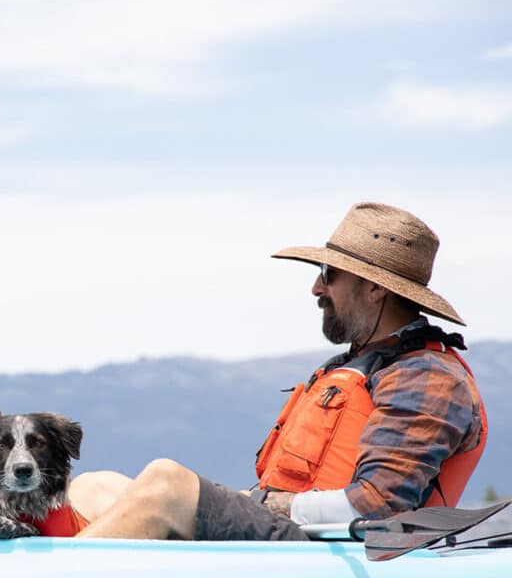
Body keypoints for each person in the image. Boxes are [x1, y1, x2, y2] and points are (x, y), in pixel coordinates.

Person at [68, 202, 487, 541]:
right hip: (296, 538)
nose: (317, 288)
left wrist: (261, 504)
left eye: (329, 274)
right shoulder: (361, 363)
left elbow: (375, 506)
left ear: (375, 288)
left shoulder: (426, 376)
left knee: (166, 482)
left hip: (334, 551)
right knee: (94, 485)